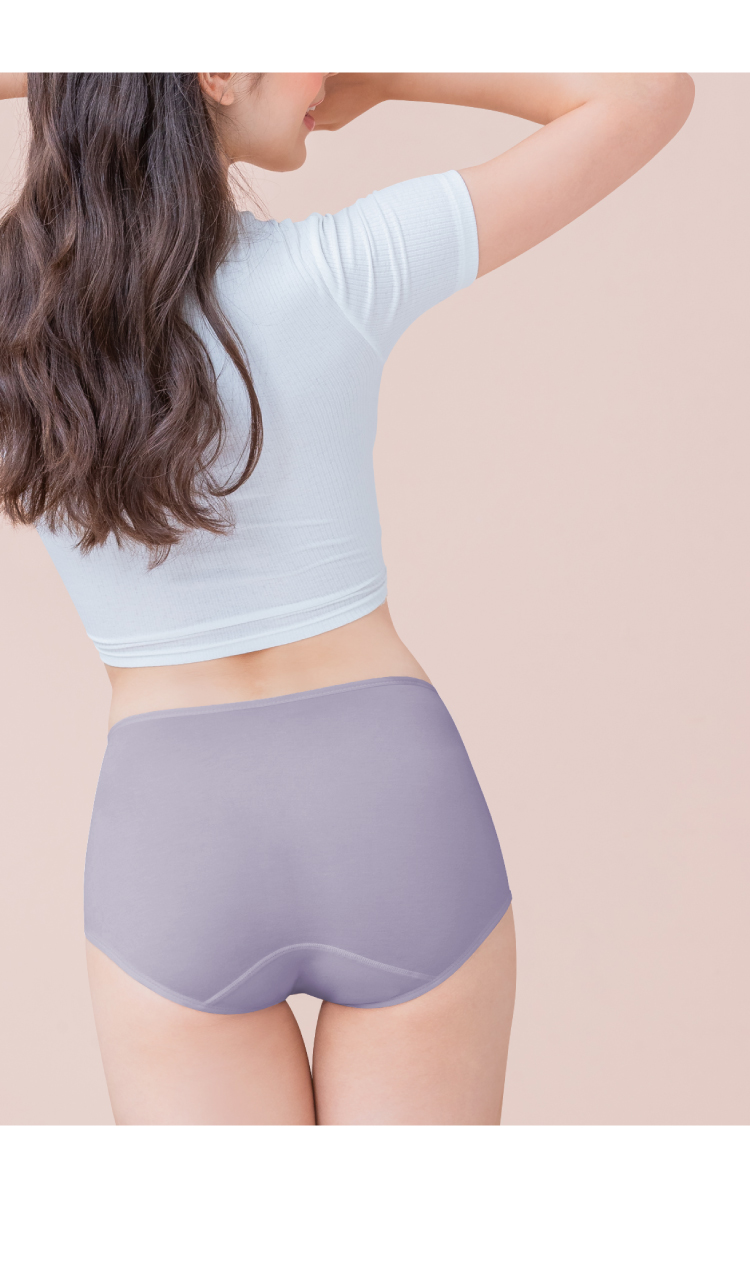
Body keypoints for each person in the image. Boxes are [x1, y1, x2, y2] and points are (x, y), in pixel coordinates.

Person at [0, 71, 694, 1125]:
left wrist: (79, 63)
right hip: (393, 809)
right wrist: (384, 71)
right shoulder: (345, 267)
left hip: (171, 846)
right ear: (216, 67)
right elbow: (647, 92)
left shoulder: (19, 325)